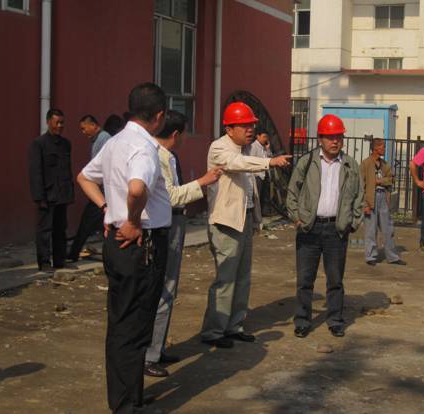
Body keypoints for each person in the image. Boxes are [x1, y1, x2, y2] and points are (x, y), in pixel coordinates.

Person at [77, 82, 171, 413]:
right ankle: (125, 404)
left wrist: (107, 208)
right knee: (133, 327)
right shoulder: (144, 148)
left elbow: (84, 177)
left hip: (118, 243)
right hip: (139, 244)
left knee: (124, 322)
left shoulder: (114, 142)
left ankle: (130, 397)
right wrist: (131, 219)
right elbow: (136, 189)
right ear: (159, 116)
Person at [200, 102, 291, 349]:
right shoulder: (219, 147)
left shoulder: (251, 148)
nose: (250, 129)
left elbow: (255, 168)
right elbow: (237, 163)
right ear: (229, 129)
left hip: (246, 217)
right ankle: (214, 330)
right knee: (226, 279)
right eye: (244, 126)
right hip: (226, 221)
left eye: (252, 125)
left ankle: (234, 325)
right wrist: (269, 162)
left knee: (243, 277)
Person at [144, 110, 223, 378]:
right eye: (185, 133)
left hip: (173, 223)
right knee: (163, 289)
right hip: (164, 224)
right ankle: (150, 354)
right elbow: (170, 197)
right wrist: (202, 182)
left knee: (169, 288)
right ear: (176, 134)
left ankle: (157, 348)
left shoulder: (168, 156)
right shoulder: (156, 156)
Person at [287, 114, 364, 339]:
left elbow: (359, 196)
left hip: (336, 230)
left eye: (338, 137)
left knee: (335, 280)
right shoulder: (307, 162)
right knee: (304, 280)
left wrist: (352, 222)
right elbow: (292, 191)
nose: (335, 141)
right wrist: (296, 218)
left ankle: (335, 320)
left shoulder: (350, 164)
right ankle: (302, 321)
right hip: (309, 229)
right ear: (320, 138)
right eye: (330, 137)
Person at [29, 108, 75, 272]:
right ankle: (44, 262)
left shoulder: (66, 144)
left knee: (60, 229)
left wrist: (70, 192)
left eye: (62, 123)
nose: (60, 126)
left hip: (62, 194)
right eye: (57, 123)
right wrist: (39, 197)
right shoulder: (39, 144)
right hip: (47, 195)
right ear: (48, 122)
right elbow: (35, 172)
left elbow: (67, 170)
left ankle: (60, 260)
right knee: (44, 231)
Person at [67, 115, 112, 261]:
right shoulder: (98, 140)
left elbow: (99, 168)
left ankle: (74, 253)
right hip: (101, 190)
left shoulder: (103, 139)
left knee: (86, 223)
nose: (83, 132)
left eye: (84, 128)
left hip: (101, 192)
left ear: (93, 125)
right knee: (102, 225)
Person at [361, 138, 405, 266]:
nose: (384, 149)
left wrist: (380, 181)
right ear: (375, 148)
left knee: (388, 228)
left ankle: (392, 256)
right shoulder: (365, 164)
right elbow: (361, 184)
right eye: (382, 146)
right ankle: (370, 256)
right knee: (371, 229)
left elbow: (391, 179)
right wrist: (365, 204)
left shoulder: (384, 164)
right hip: (370, 198)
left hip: (383, 197)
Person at [247, 127, 271, 215]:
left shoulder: (264, 147)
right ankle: (256, 214)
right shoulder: (253, 146)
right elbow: (251, 160)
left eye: (266, 137)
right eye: (264, 137)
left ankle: (263, 212)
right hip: (257, 175)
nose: (265, 139)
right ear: (258, 136)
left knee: (265, 195)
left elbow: (269, 158)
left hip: (264, 174)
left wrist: (268, 149)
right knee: (257, 196)